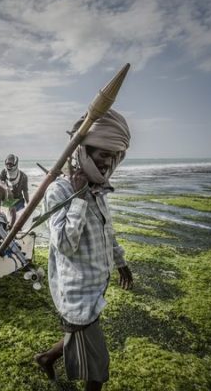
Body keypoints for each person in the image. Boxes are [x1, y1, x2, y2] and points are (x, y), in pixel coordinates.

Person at [34, 109, 134, 391]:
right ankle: (45, 358)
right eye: (100, 153)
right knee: (99, 371)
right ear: (83, 151)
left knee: (79, 337)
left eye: (111, 155)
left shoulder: (99, 190)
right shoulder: (61, 191)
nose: (106, 161)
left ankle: (45, 358)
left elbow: (107, 233)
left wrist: (121, 262)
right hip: (76, 292)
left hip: (96, 287)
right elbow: (65, 245)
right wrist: (78, 199)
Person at [0, 154, 29, 226]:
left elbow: (25, 191)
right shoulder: (4, 172)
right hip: (8, 199)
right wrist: (7, 188)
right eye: (7, 164)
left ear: (15, 164)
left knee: (18, 221)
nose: (8, 166)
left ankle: (11, 225)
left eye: (11, 164)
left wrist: (29, 204)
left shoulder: (23, 176)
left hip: (18, 201)